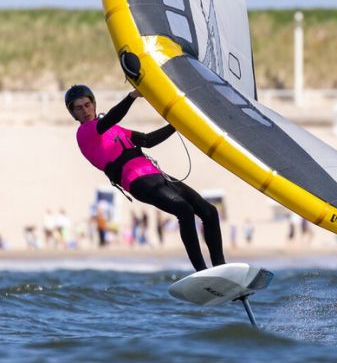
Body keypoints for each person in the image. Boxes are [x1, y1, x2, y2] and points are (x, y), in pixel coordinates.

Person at [66, 85, 225, 272]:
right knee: (184, 210)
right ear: (73, 114)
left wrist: (176, 124)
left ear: (93, 104)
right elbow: (110, 118)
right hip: (135, 180)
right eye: (79, 108)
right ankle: (202, 271)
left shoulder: (115, 130)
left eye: (87, 105)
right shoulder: (85, 133)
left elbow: (148, 140)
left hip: (155, 174)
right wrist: (132, 96)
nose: (85, 111)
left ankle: (221, 268)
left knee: (209, 211)